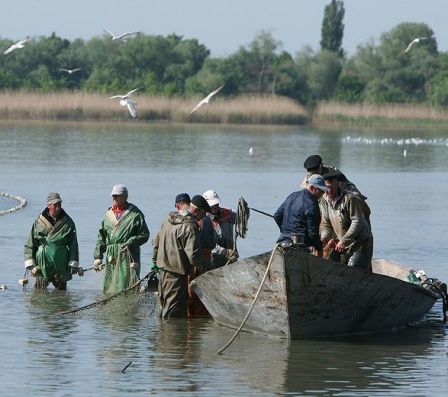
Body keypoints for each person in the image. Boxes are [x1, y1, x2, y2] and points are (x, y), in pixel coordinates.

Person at [154, 194, 211, 318]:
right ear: (197, 210)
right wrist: (208, 268)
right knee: (174, 315)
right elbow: (194, 255)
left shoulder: (168, 220)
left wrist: (155, 261)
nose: (203, 217)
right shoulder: (189, 226)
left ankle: (164, 336)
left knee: (163, 311)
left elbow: (156, 242)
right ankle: (174, 337)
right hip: (177, 278)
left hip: (163, 274)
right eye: (204, 213)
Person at [93, 184, 150, 293]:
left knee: (127, 284)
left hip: (128, 253)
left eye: (117, 196)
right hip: (111, 256)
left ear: (125, 196)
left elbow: (144, 235)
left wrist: (131, 242)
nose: (114, 198)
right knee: (109, 284)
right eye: (113, 196)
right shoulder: (108, 215)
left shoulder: (135, 214)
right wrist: (98, 256)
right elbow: (101, 237)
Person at [24, 192, 79, 290]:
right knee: (39, 292)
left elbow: (73, 244)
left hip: (60, 262)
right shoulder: (38, 222)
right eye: (55, 205)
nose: (58, 207)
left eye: (59, 205)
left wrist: (73, 263)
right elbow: (30, 243)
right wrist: (30, 264)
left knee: (61, 293)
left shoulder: (68, 222)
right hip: (43, 262)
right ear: (49, 205)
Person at [319, 170, 374, 270]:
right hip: (343, 242)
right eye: (326, 188)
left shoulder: (350, 198)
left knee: (355, 269)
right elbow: (326, 224)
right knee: (334, 268)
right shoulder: (324, 200)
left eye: (331, 188)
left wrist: (344, 240)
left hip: (360, 241)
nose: (329, 191)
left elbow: (357, 221)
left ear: (337, 186)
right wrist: (323, 238)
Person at [300, 154, 371, 225]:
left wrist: (356, 193)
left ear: (321, 165)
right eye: (312, 172)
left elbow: (348, 184)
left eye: (316, 170)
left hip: (338, 196)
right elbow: (306, 195)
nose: (315, 173)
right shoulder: (307, 179)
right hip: (320, 201)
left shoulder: (333, 171)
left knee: (357, 198)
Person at [274, 174, 328, 255]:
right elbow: (312, 232)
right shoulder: (312, 205)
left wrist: (285, 232)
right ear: (312, 188)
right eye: (321, 191)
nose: (322, 194)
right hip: (300, 245)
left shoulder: (292, 196)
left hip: (283, 242)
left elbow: (277, 216)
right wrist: (319, 248)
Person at [203, 190, 238, 268]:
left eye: (216, 204)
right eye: (212, 205)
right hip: (213, 259)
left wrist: (245, 210)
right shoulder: (204, 220)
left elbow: (242, 217)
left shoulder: (227, 212)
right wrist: (226, 252)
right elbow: (208, 245)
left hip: (231, 257)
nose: (214, 207)